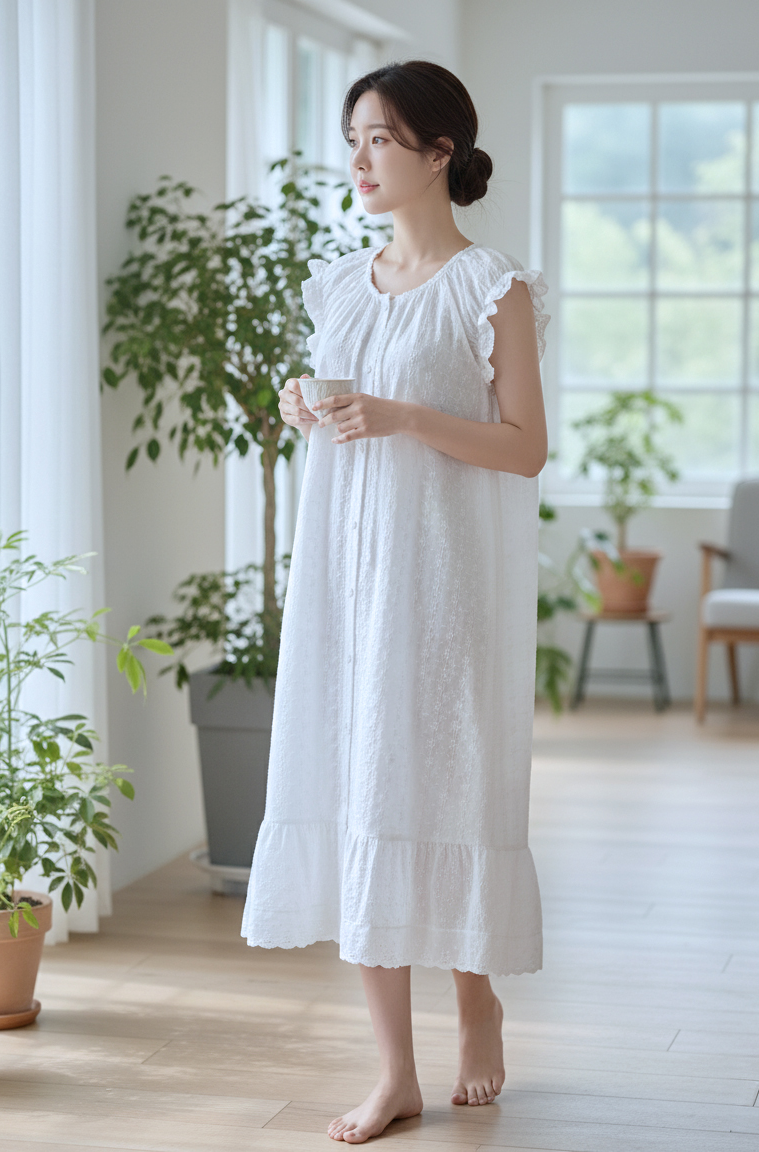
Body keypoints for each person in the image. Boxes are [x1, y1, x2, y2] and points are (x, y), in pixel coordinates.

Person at [239, 59, 550, 1144]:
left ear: (439, 152)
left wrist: (405, 415)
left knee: (449, 786)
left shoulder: (492, 287)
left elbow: (526, 448)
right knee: (356, 786)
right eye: (353, 139)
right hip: (345, 579)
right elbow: (346, 421)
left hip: (445, 581)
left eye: (379, 138)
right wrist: (306, 408)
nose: (359, 159)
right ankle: (394, 1074)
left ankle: (475, 1000)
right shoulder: (334, 284)